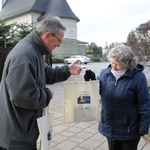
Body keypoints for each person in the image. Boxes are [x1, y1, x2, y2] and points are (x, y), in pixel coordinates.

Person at [0, 16, 84, 150]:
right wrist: (47, 94)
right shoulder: (25, 55)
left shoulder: (35, 51)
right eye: (59, 40)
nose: (59, 44)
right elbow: (21, 95)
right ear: (47, 35)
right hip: (16, 138)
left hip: (23, 132)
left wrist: (68, 70)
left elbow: (47, 73)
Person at [84, 44, 150, 150]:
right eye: (112, 62)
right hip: (110, 126)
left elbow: (144, 104)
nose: (113, 66)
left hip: (129, 130)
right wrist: (91, 79)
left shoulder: (138, 77)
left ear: (127, 64)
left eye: (118, 64)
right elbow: (97, 90)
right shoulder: (105, 73)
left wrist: (143, 127)